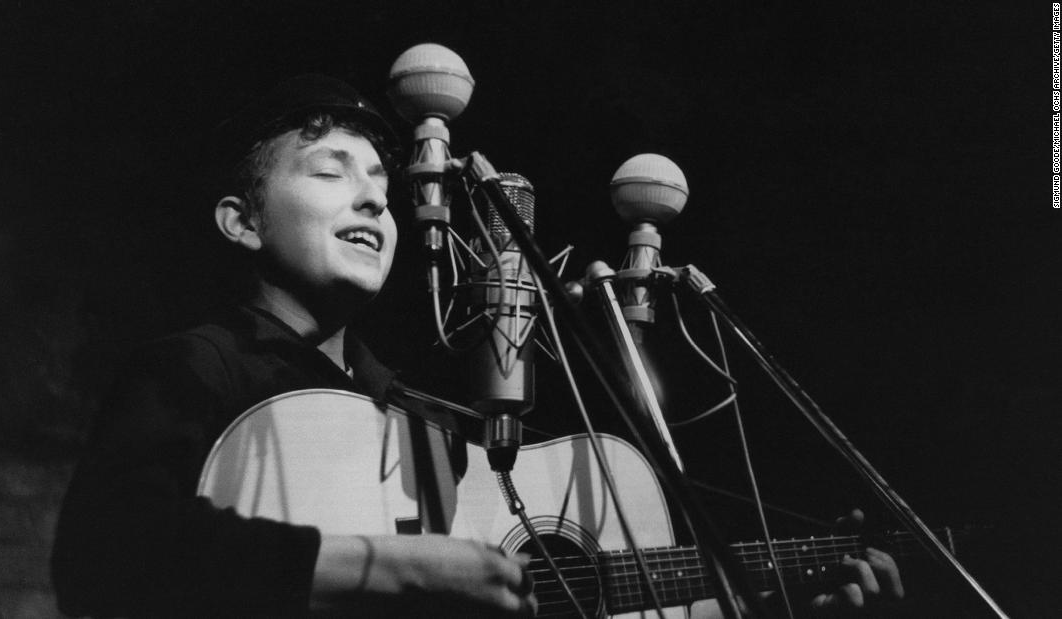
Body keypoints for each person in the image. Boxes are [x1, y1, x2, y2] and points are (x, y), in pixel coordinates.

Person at [51, 74, 903, 618]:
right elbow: (103, 556)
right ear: (241, 222)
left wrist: (782, 595)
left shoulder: (423, 415)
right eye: (330, 171)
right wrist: (392, 569)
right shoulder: (201, 364)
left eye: (383, 183)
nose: (375, 200)